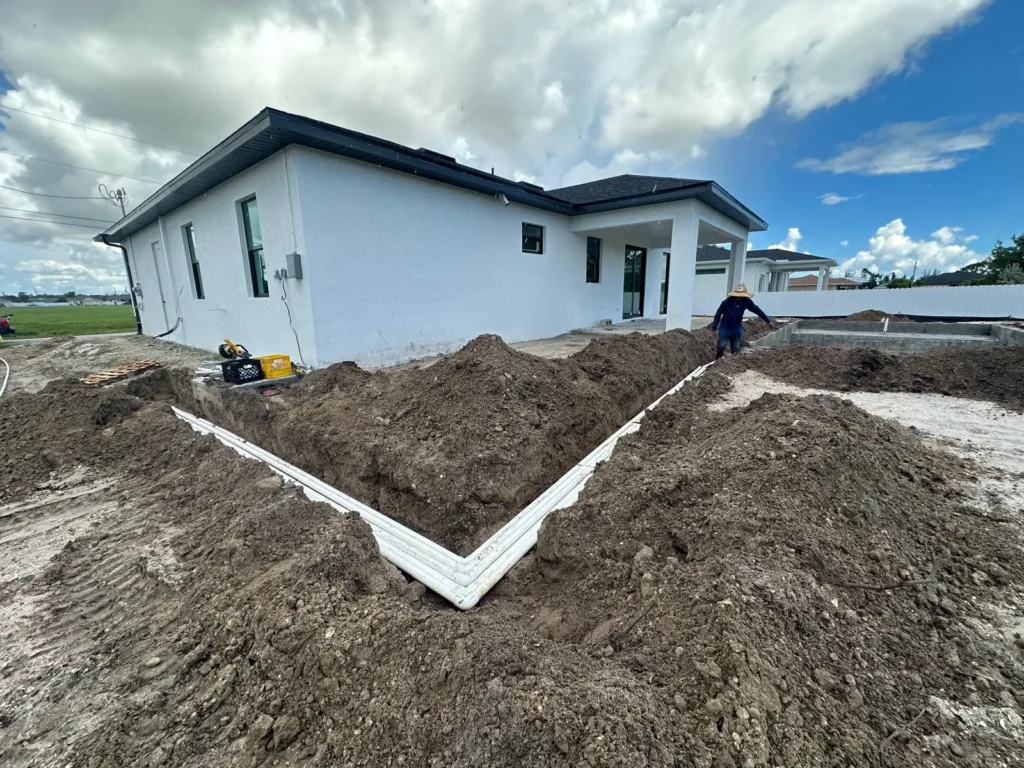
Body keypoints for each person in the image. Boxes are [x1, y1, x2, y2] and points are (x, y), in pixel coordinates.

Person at [711, 284, 772, 358]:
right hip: (725, 328)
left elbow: (757, 310)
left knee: (736, 349)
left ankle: (732, 366)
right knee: (721, 346)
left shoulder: (746, 301)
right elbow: (718, 314)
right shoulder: (726, 303)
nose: (740, 298)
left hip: (737, 328)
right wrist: (714, 328)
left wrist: (768, 321)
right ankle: (717, 360)